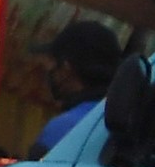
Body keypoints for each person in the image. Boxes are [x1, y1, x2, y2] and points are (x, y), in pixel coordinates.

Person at [32, 21, 124, 155]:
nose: (47, 69)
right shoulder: (129, 123)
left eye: (52, 62)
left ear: (66, 67)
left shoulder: (63, 128)